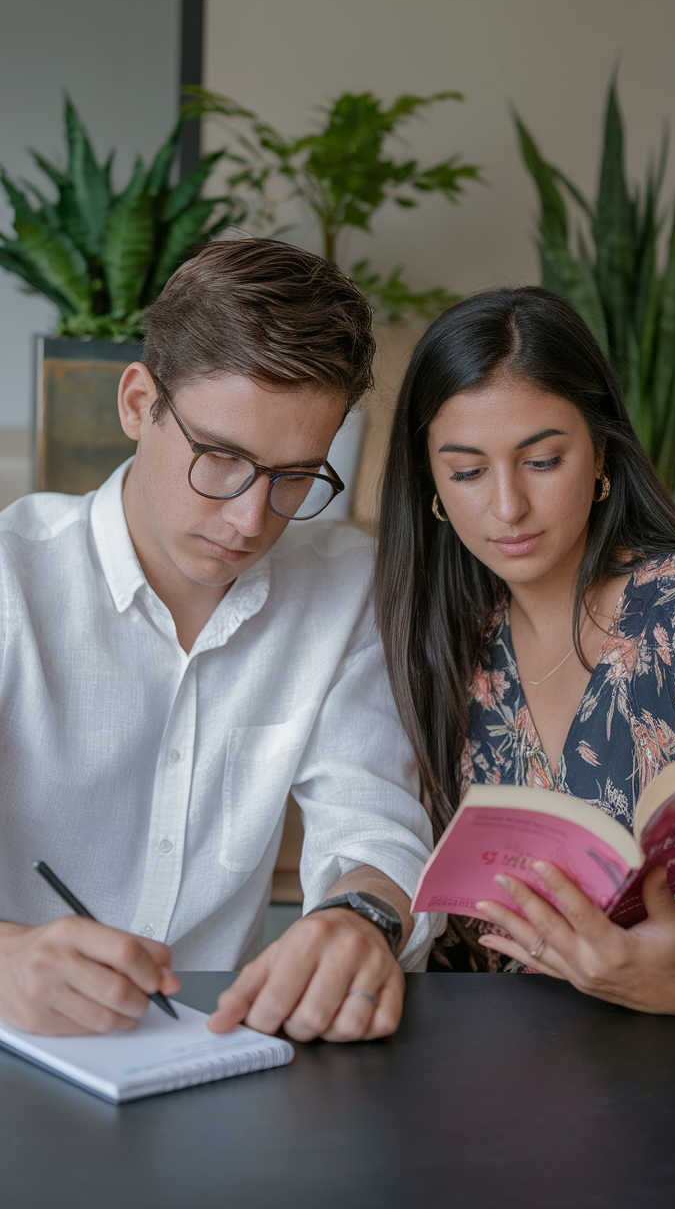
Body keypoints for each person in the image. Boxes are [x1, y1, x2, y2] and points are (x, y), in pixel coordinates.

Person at [0, 238, 442, 1040]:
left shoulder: (347, 587)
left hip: (217, 1057)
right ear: (138, 403)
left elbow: (372, 825)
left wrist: (360, 918)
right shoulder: (10, 582)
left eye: (296, 476)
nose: (250, 518)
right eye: (221, 458)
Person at [375, 286, 675, 1014]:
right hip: (500, 1065)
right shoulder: (444, 645)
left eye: (542, 461)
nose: (507, 506)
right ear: (433, 486)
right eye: (468, 472)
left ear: (601, 454)